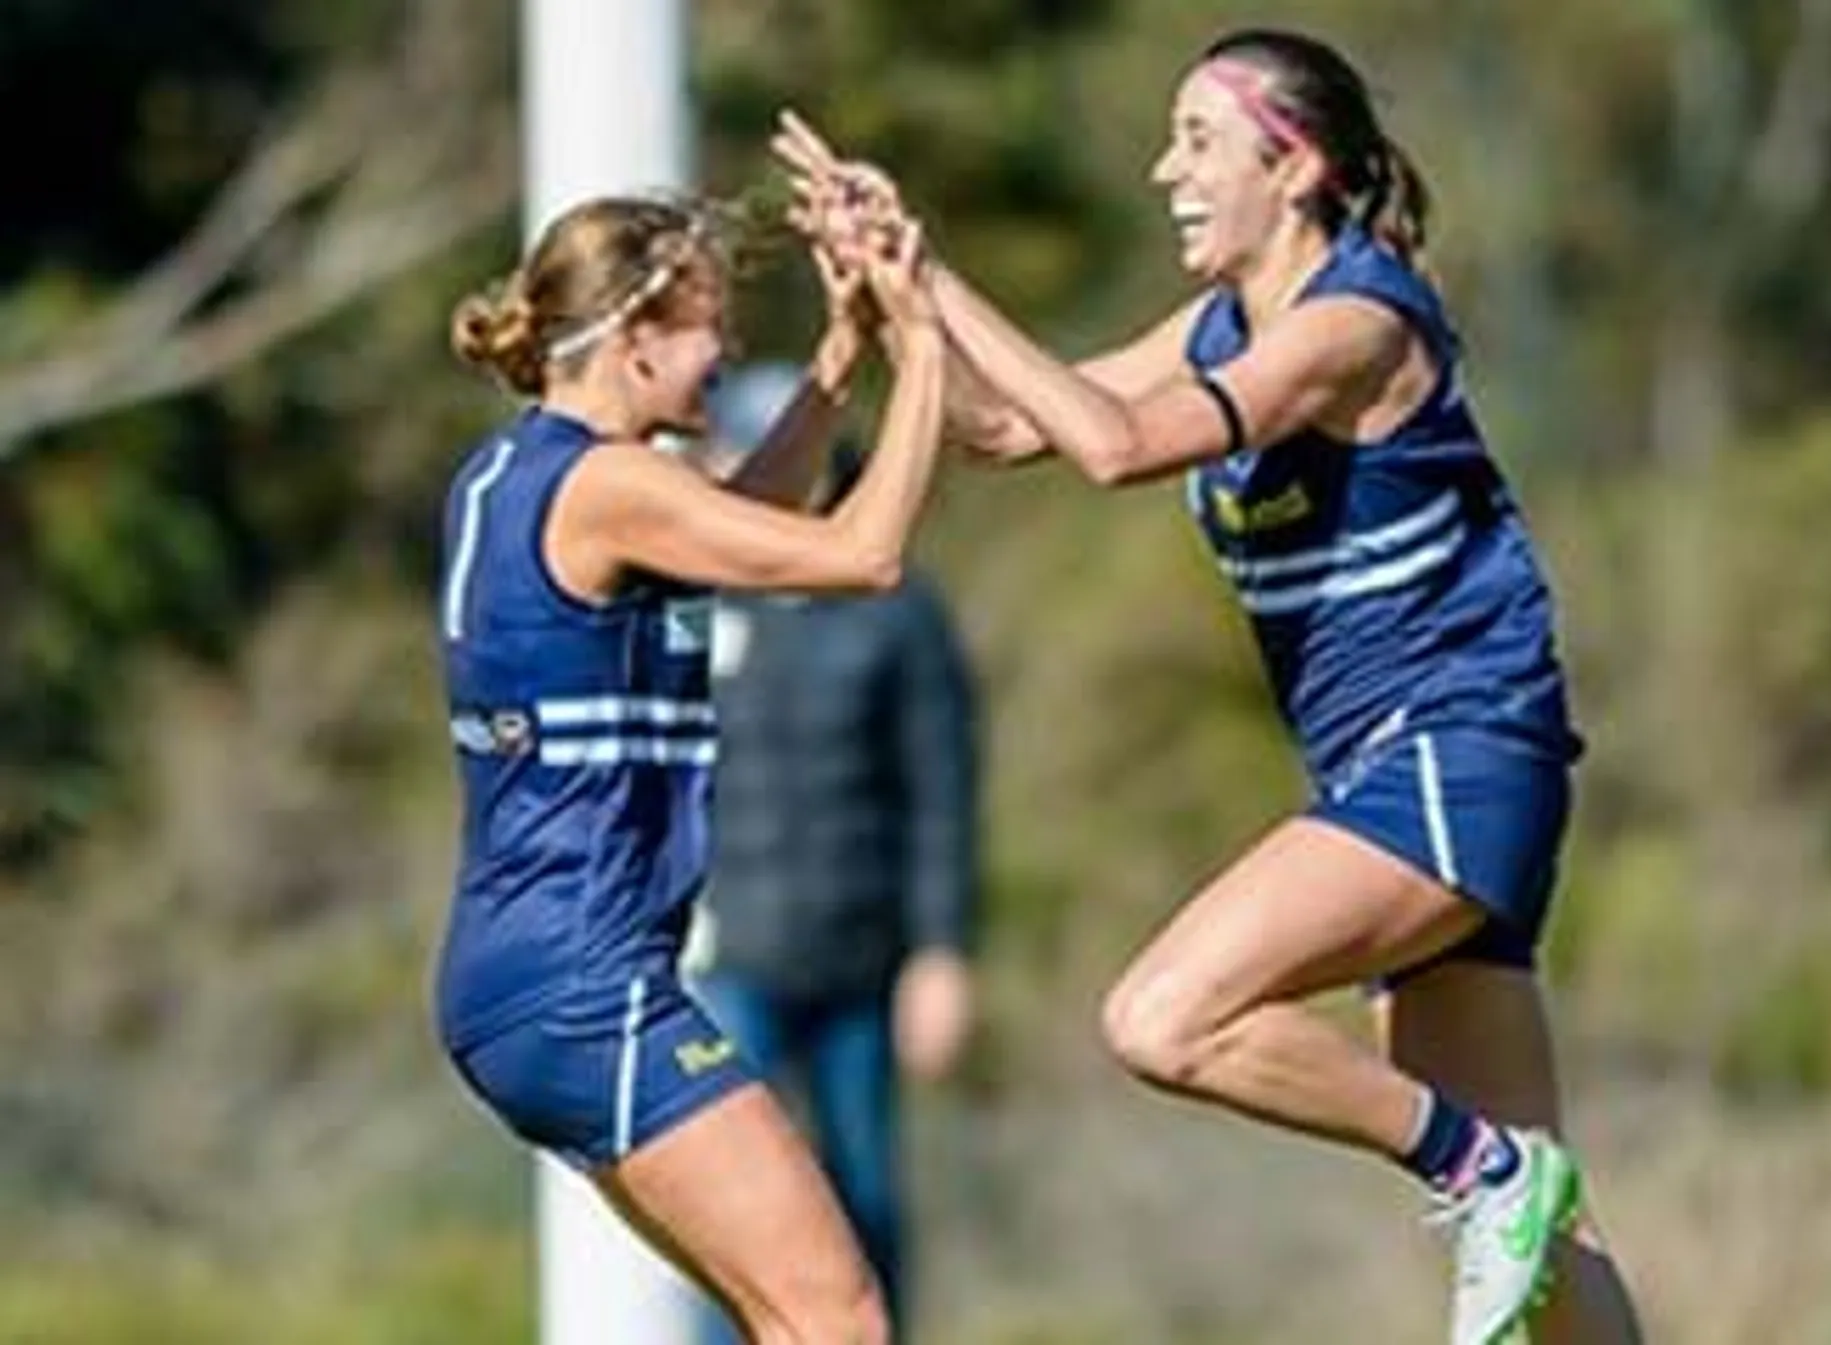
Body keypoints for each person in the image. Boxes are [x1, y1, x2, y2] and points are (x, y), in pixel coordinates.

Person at [773, 26, 1645, 1345]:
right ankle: (1501, 1179)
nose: (1163, 169)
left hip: (1454, 759)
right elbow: (1014, 427)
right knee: (1550, 1260)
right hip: (1402, 776)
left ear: (1291, 168)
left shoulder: (1355, 321)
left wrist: (939, 275)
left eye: (1197, 142)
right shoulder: (1217, 323)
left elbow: (1117, 446)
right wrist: (905, 293)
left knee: (1165, 1017)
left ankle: (1485, 1167)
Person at [433, 189, 946, 1345]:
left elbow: (734, 523)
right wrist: (923, 349)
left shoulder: (520, 474)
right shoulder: (607, 486)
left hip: (523, 980)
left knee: (784, 1317)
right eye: (709, 322)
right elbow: (858, 556)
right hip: (586, 983)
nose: (724, 352)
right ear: (634, 337)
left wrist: (842, 350)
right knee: (842, 1317)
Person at [679, 360, 981, 1345]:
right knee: (739, 1218)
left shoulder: (897, 609)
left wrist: (941, 952)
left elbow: (941, 790)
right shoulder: (693, 600)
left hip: (860, 957)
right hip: (726, 962)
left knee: (863, 1201)